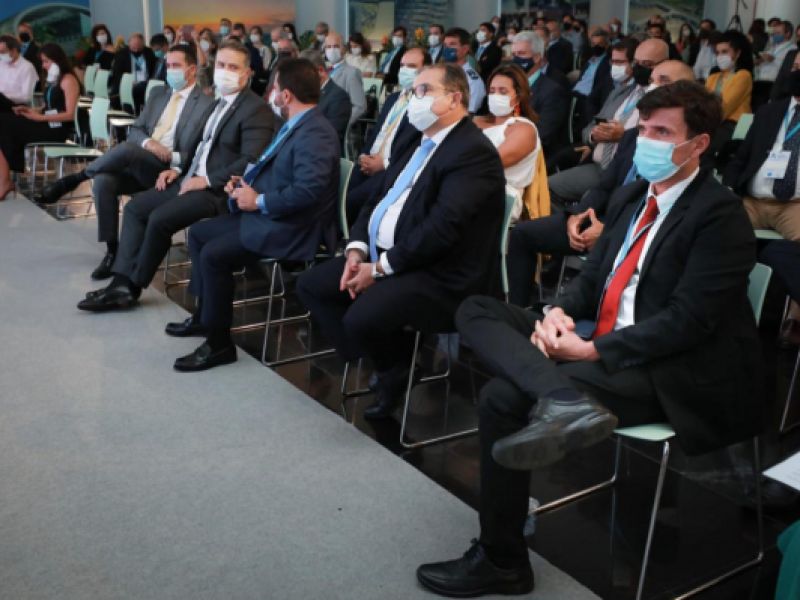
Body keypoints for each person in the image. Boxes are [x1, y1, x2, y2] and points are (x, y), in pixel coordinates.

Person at [416, 80, 762, 597]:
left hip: (666, 367)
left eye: (663, 132)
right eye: (644, 130)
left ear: (699, 144)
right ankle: (560, 397)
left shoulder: (720, 215)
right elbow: (594, 276)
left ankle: (502, 559)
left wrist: (591, 349)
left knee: (502, 398)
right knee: (475, 307)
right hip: (600, 339)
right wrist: (557, 313)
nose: (647, 141)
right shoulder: (632, 197)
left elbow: (687, 322)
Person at [296, 63, 505, 420]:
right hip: (389, 256)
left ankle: (391, 365)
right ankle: (394, 363)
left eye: (424, 90)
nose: (414, 98)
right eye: (413, 91)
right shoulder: (418, 141)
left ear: (454, 99)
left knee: (361, 318)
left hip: (440, 272)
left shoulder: (472, 152)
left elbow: (441, 230)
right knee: (313, 286)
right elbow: (378, 198)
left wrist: (378, 269)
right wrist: (357, 250)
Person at [166, 58, 341, 372]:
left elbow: (307, 192)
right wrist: (244, 185)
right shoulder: (296, 124)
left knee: (215, 255)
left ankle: (219, 344)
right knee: (200, 234)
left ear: (286, 95)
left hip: (293, 225)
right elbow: (278, 173)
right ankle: (206, 317)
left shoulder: (316, 133)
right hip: (273, 214)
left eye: (274, 88)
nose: (270, 93)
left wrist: (258, 200)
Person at [76, 41, 274, 312]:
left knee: (160, 218)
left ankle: (131, 287)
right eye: (221, 65)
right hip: (189, 179)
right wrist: (178, 170)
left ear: (247, 73)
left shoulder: (256, 109)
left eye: (233, 67)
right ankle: (120, 281)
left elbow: (251, 161)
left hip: (217, 190)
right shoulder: (218, 104)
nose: (225, 71)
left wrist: (206, 180)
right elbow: (199, 148)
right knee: (135, 208)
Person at [507, 59, 697, 307]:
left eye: (664, 81)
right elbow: (605, 186)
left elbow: (656, 215)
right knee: (522, 234)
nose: (654, 86)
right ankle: (520, 310)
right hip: (599, 218)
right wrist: (577, 216)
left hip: (631, 233)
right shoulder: (632, 137)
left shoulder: (687, 152)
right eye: (652, 80)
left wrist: (608, 231)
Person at [38, 46, 214, 278]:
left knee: (128, 150)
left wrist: (169, 156)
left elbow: (197, 152)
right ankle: (112, 251)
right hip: (141, 160)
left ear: (191, 70)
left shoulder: (205, 104)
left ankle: (76, 178)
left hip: (170, 170)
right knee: (104, 181)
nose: (170, 70)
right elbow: (136, 130)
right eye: (168, 65)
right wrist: (150, 143)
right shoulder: (158, 94)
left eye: (176, 66)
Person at [724, 52, 800, 334]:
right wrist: (728, 190)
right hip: (752, 200)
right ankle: (722, 308)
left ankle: (794, 319)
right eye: (795, 66)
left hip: (794, 205)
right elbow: (742, 157)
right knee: (713, 232)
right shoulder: (770, 112)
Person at [549, 39, 668, 205]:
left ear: (664, 65)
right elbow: (589, 127)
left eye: (646, 64)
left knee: (589, 200)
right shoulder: (622, 92)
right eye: (636, 63)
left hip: (624, 173)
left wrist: (623, 136)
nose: (639, 68)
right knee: (547, 186)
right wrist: (594, 135)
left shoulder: (663, 101)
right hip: (598, 164)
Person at [346, 47, 429, 222]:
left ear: (426, 70)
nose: (404, 70)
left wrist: (384, 164)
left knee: (351, 201)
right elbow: (377, 133)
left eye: (411, 66)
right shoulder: (393, 98)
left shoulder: (424, 105)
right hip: (368, 161)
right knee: (336, 190)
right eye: (402, 65)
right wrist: (363, 156)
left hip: (392, 169)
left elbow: (415, 147)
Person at [0, 43, 79, 201]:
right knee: (4, 120)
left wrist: (40, 118)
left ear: (57, 60)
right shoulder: (54, 80)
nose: (43, 66)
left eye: (46, 61)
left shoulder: (68, 80)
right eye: (43, 62)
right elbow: (50, 106)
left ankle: (5, 180)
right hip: (47, 123)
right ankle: (5, 177)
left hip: (56, 130)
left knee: (3, 123)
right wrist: (31, 111)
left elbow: (70, 115)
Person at [474, 64, 539, 221]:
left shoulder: (523, 128)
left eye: (503, 91)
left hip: (498, 195)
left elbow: (490, 162)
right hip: (467, 185)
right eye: (492, 91)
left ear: (518, 96)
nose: (496, 96)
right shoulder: (476, 121)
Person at [509, 31, 570, 164]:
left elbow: (543, 134)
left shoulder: (553, 91)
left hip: (537, 156)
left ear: (537, 57)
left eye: (521, 53)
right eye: (514, 54)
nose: (516, 59)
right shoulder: (509, 85)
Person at [705, 30, 753, 161]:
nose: (720, 56)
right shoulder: (713, 77)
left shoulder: (743, 75)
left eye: (725, 52)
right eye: (718, 52)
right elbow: (703, 103)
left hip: (736, 125)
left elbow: (725, 107)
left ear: (738, 53)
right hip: (713, 122)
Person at [299, 49, 352, 145]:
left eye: (304, 75)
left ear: (320, 71)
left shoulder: (339, 97)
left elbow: (330, 136)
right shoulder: (307, 93)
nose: (301, 80)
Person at [572, 28, 612, 132]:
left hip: (588, 97)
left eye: (600, 44)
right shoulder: (589, 60)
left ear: (606, 45)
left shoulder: (608, 63)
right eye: (593, 44)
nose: (596, 47)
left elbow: (601, 86)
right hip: (575, 93)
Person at [322, 32, 366, 126]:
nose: (331, 50)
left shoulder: (352, 73)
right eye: (328, 47)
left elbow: (359, 106)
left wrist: (341, 123)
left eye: (336, 46)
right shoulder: (324, 71)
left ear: (344, 49)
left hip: (336, 127)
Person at [754, 20, 795, 110]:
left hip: (774, 84)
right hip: (762, 81)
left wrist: (773, 60)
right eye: (774, 33)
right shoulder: (773, 47)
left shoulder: (792, 49)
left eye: (778, 33)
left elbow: (789, 67)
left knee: (767, 109)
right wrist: (759, 61)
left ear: (787, 33)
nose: (774, 35)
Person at [443, 27, 485, 114]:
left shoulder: (472, 80)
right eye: (445, 45)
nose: (447, 48)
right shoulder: (442, 72)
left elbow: (470, 112)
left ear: (465, 49)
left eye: (452, 44)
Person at [110, 33, 156, 107]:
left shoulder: (149, 52)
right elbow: (117, 73)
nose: (136, 50)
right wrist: (128, 82)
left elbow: (154, 70)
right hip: (128, 85)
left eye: (139, 47)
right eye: (134, 47)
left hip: (145, 84)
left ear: (143, 45)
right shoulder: (121, 54)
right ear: (129, 44)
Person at [0, 35, 38, 112]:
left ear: (14, 50)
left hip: (16, 109)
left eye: (2, 52)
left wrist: (3, 95)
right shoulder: (1, 64)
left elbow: (27, 97)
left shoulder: (27, 67)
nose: (0, 55)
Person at [17, 22, 42, 87]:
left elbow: (39, 67)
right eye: (20, 32)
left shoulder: (38, 47)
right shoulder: (15, 48)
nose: (23, 34)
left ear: (31, 32)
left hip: (33, 84)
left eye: (25, 31)